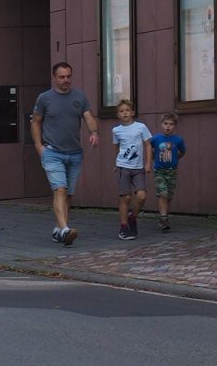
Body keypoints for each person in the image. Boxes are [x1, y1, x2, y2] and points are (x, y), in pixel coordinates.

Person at [30, 61, 98, 247]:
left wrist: (94, 132)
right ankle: (65, 229)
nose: (66, 80)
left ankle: (58, 229)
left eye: (68, 76)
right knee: (59, 189)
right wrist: (38, 145)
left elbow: (89, 117)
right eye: (62, 77)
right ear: (54, 78)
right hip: (52, 152)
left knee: (68, 194)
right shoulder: (44, 98)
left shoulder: (80, 97)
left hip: (75, 153)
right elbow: (36, 121)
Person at [110, 99, 152, 240]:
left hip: (138, 168)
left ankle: (132, 217)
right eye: (121, 111)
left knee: (141, 196)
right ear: (118, 114)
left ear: (132, 112)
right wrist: (116, 164)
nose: (125, 113)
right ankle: (123, 227)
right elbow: (117, 148)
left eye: (127, 110)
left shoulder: (141, 127)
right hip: (123, 167)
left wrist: (148, 163)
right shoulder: (116, 130)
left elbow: (148, 145)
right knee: (126, 197)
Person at [151, 113, 187, 233]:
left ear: (174, 126)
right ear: (161, 124)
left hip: (171, 171)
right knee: (163, 193)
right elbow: (148, 148)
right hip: (159, 170)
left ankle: (164, 218)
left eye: (171, 124)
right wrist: (153, 157)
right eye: (166, 124)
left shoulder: (178, 140)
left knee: (169, 196)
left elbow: (183, 151)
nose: (168, 126)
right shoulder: (156, 139)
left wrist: (176, 159)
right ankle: (163, 218)